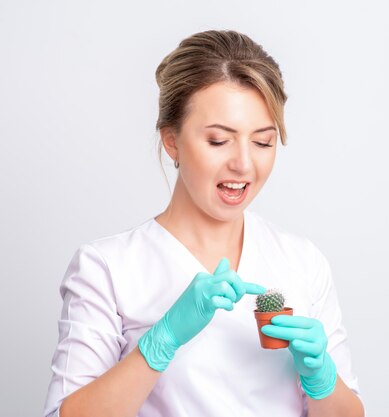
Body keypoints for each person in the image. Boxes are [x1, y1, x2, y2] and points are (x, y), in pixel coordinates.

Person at [42, 30, 364, 417]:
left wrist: (321, 380)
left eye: (263, 142)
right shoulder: (106, 268)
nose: (244, 164)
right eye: (218, 141)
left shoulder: (302, 261)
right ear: (172, 141)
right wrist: (160, 342)